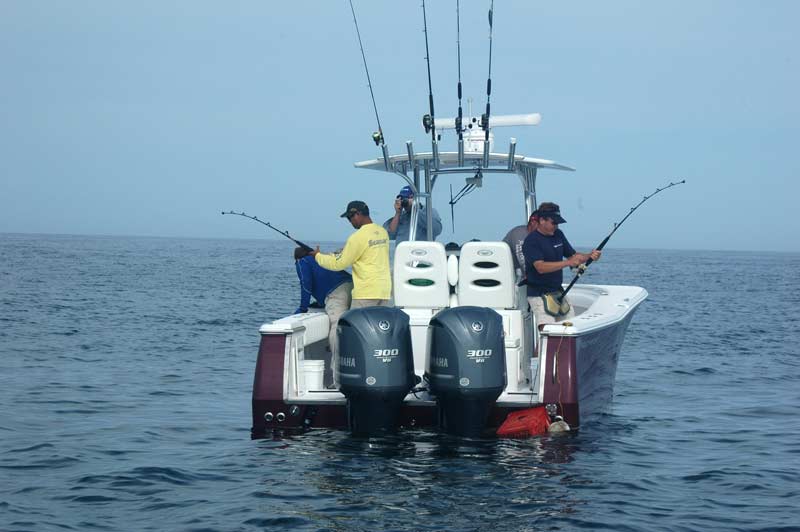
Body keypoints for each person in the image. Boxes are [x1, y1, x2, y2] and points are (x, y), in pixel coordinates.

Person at [522, 202, 601, 327]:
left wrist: (589, 256)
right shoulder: (531, 241)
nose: (556, 226)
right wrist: (568, 263)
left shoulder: (558, 234)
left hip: (558, 292)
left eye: (558, 223)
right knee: (548, 329)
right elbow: (540, 267)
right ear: (542, 220)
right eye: (554, 223)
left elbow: (573, 256)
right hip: (538, 295)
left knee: (571, 326)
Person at [311, 200, 392, 309]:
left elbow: (338, 264)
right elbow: (368, 252)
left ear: (358, 214)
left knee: (357, 326)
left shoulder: (357, 237)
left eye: (350, 217)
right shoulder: (382, 232)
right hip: (384, 292)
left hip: (366, 294)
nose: (350, 221)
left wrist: (318, 256)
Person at [293, 247, 353, 384]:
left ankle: (337, 374)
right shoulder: (320, 258)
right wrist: (321, 303)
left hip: (336, 294)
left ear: (296, 259)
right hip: (351, 285)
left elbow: (306, 285)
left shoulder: (302, 262)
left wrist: (302, 308)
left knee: (336, 328)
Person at [502, 211, 539, 282]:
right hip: (505, 276)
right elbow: (524, 263)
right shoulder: (519, 234)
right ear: (533, 221)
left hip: (517, 276)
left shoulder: (539, 238)